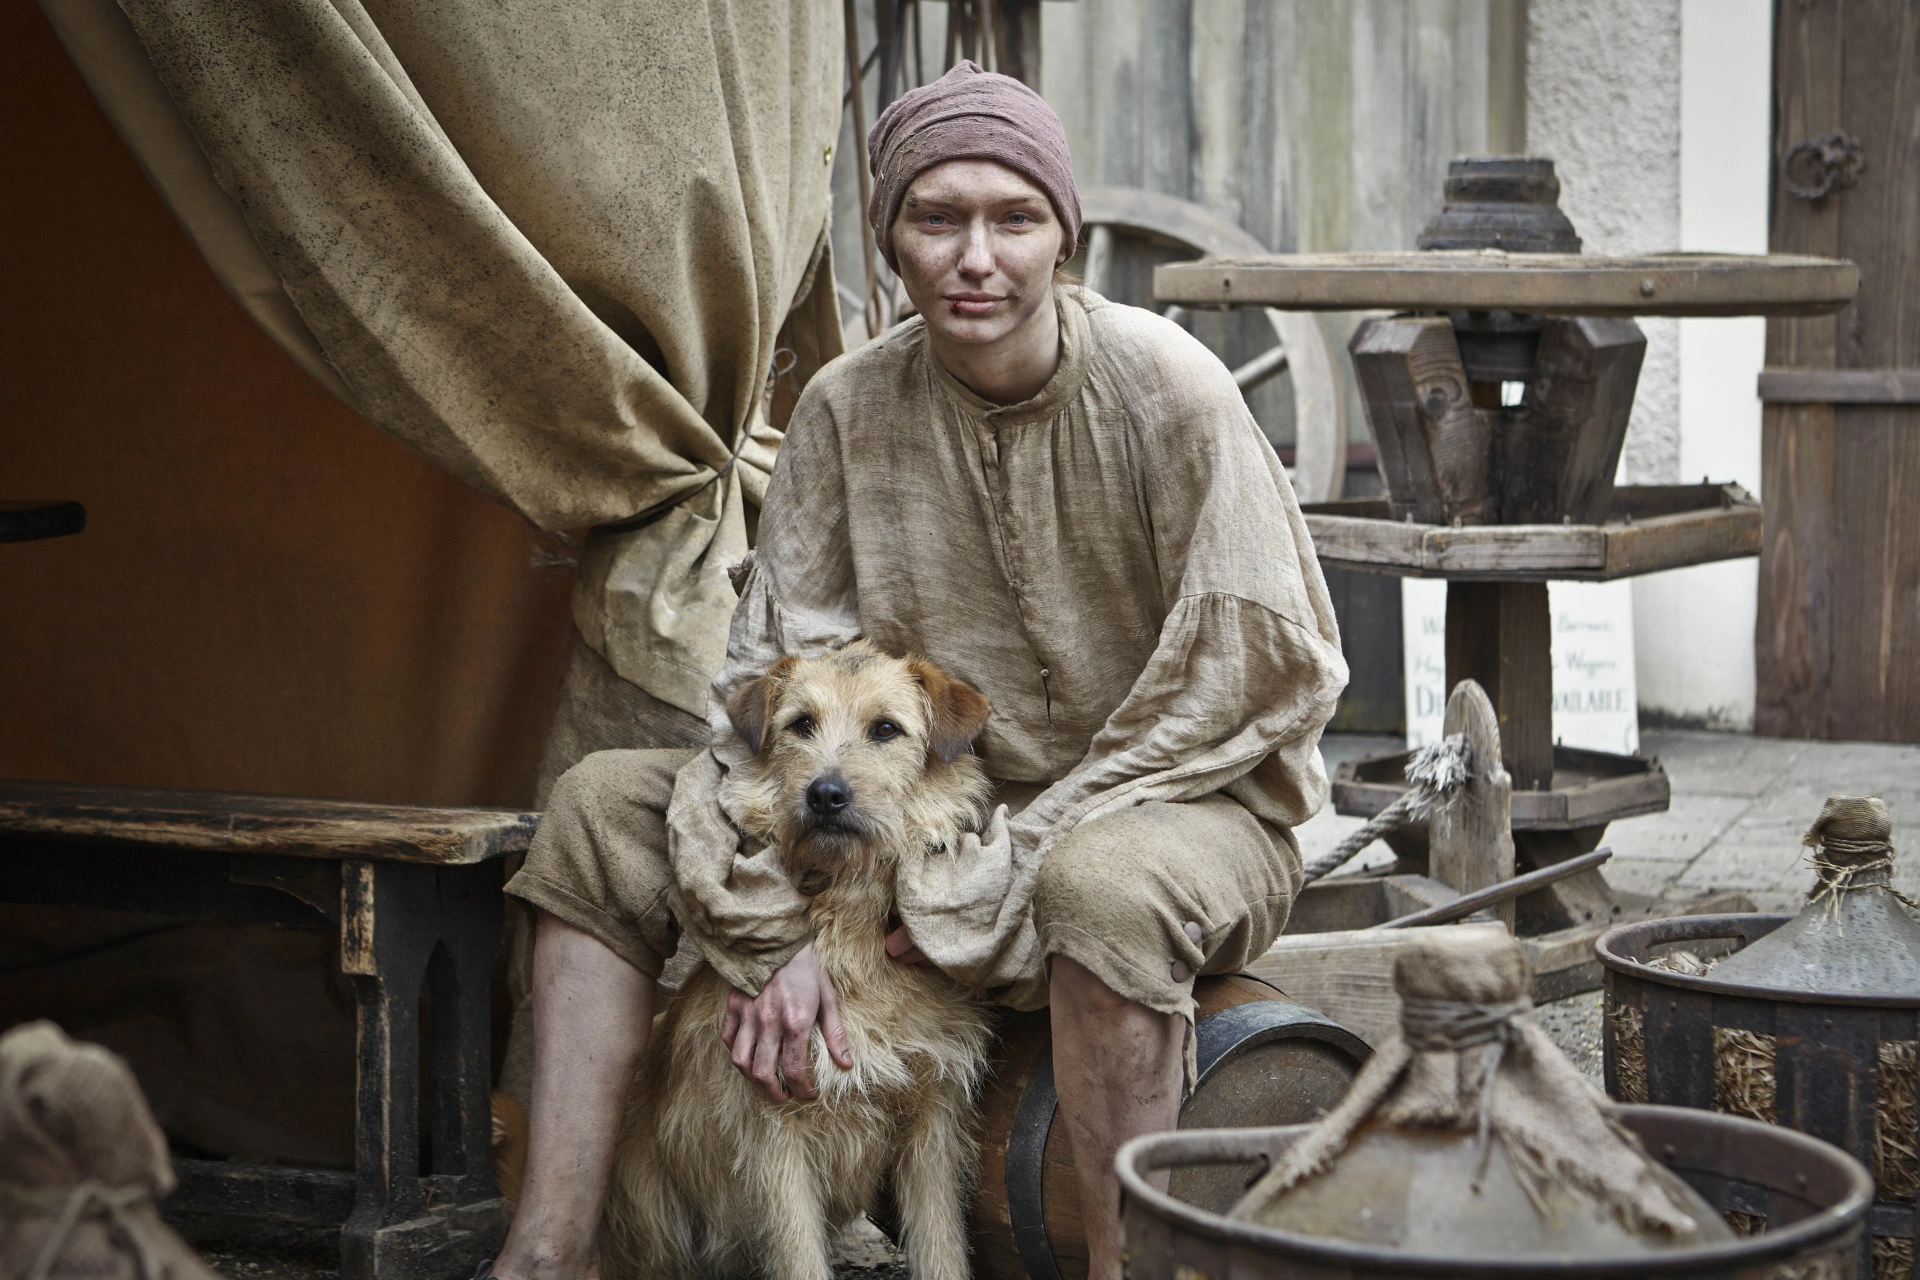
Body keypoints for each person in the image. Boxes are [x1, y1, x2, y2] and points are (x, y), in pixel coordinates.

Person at [492, 61, 1346, 1280]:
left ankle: (1128, 1269)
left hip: (1176, 809)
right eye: (936, 218)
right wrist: (773, 928)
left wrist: (995, 870)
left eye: (1014, 218)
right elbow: (764, 698)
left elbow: (1247, 686)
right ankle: (552, 1250)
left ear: (1065, 235)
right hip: (906, 809)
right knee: (596, 810)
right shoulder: (846, 408)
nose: (975, 257)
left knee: (1099, 887)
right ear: (891, 236)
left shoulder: (1173, 392)